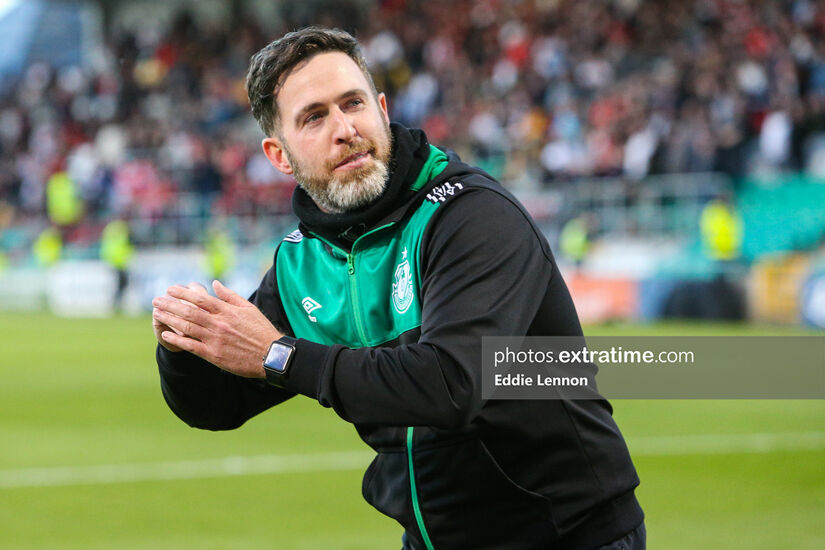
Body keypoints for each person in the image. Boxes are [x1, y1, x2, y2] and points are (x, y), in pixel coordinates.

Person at [152, 27, 644, 550]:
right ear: (279, 155)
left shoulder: (470, 216)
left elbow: (452, 383)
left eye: (353, 103)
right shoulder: (303, 258)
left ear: (382, 110)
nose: (345, 128)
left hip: (565, 533)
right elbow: (218, 404)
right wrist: (183, 344)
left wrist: (279, 356)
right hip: (432, 539)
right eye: (315, 117)